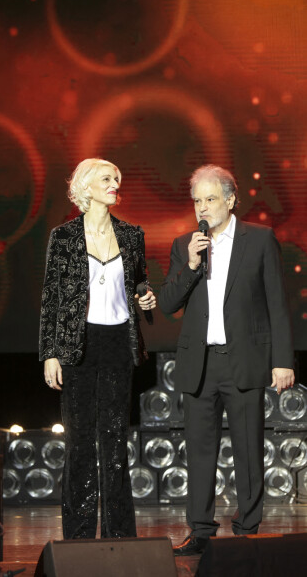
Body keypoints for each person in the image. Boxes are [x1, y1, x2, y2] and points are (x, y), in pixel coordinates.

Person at [159, 164, 295, 556]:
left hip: (245, 361)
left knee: (248, 450)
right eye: (197, 200)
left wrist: (282, 360)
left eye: (210, 199)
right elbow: (168, 304)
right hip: (200, 363)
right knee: (200, 452)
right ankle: (200, 531)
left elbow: (276, 304)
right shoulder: (186, 244)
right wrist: (191, 265)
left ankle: (248, 529)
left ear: (231, 200)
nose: (202, 207)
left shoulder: (260, 239)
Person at [39, 157, 156, 540]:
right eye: (106, 178)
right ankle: (78, 537)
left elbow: (139, 284)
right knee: (79, 443)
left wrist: (146, 298)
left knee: (114, 442)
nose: (114, 184)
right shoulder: (64, 237)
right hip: (78, 346)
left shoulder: (132, 234)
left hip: (118, 344)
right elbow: (52, 298)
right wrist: (50, 352)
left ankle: (120, 535)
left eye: (116, 179)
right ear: (85, 187)